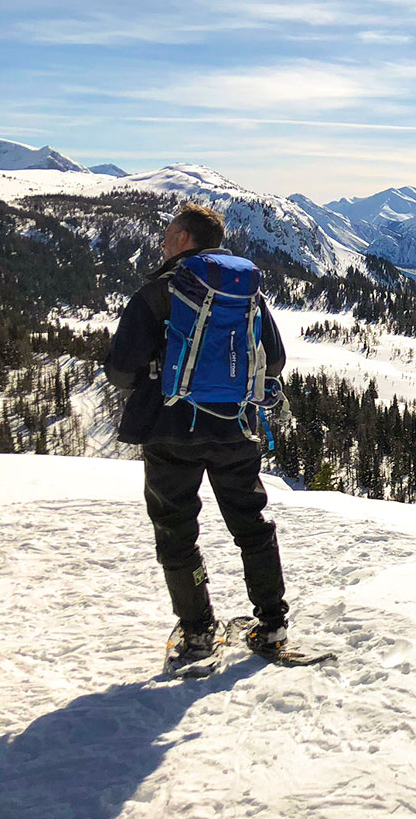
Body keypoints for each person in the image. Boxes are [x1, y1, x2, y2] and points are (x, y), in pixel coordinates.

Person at [104, 203, 290, 662]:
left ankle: (198, 632)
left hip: (170, 429)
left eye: (169, 232)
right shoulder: (247, 295)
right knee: (251, 524)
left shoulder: (160, 292)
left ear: (185, 239)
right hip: (235, 429)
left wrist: (149, 385)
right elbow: (276, 359)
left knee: (176, 530)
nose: (164, 240)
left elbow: (120, 368)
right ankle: (271, 624)